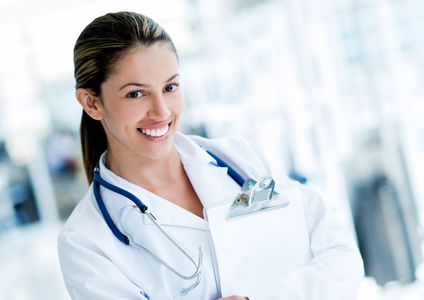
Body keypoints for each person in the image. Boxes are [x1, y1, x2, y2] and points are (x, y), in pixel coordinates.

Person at [58, 11, 364, 300]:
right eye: (136, 93)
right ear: (92, 103)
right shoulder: (87, 241)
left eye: (170, 87)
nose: (161, 111)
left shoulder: (239, 162)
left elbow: (340, 257)